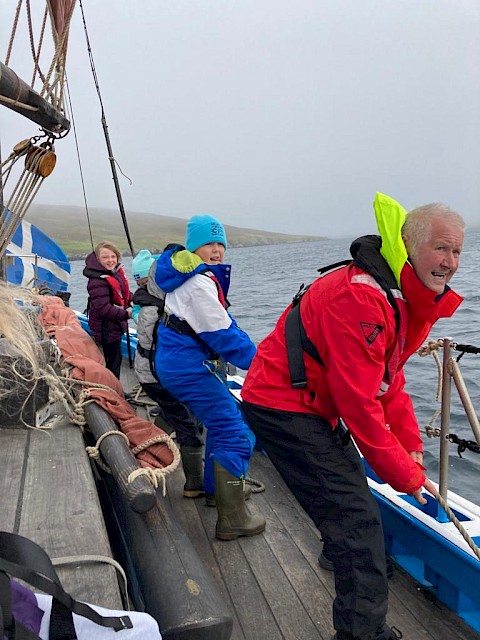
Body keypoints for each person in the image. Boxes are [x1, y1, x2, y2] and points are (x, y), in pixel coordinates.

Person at [241, 192, 465, 640]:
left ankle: (339, 549)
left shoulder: (396, 295)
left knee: (349, 504)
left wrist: (412, 448)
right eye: (441, 248)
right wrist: (406, 476)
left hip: (309, 405)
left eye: (458, 250)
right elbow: (358, 404)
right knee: (358, 524)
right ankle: (363, 633)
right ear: (409, 244)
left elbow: (390, 380)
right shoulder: (364, 298)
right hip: (284, 405)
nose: (451, 261)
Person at [153, 214, 266, 540]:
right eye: (208, 244)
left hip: (178, 363)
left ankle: (216, 490)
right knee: (235, 434)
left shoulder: (187, 274)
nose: (216, 250)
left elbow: (222, 324)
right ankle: (233, 518)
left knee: (221, 425)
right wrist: (264, 366)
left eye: (221, 244)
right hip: (190, 368)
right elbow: (224, 335)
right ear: (193, 247)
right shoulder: (198, 282)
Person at [131, 248, 207, 499]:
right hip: (158, 377)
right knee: (188, 424)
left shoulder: (151, 303)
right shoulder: (158, 311)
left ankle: (151, 441)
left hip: (150, 375)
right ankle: (194, 484)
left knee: (172, 410)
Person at [83, 241, 133, 379]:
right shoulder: (96, 281)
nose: (110, 260)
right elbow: (103, 308)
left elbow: (123, 292)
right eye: (105, 257)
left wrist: (134, 300)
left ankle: (114, 388)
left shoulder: (114, 273)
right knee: (113, 363)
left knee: (115, 359)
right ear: (98, 259)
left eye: (113, 256)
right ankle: (113, 392)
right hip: (106, 328)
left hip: (115, 326)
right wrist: (127, 314)